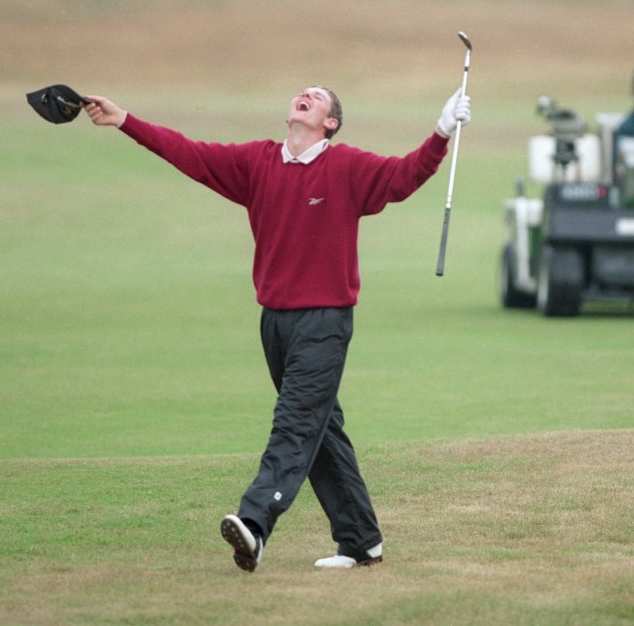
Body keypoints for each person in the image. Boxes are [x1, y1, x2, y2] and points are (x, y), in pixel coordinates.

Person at [83, 85, 471, 569]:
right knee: (321, 430)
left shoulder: (347, 166)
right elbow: (187, 153)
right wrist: (124, 120)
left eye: (318, 96)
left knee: (294, 424)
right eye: (301, 92)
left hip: (324, 322)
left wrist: (440, 131)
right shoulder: (257, 163)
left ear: (330, 122)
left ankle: (256, 522)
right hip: (275, 323)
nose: (305, 95)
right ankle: (361, 540)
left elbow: (404, 176)